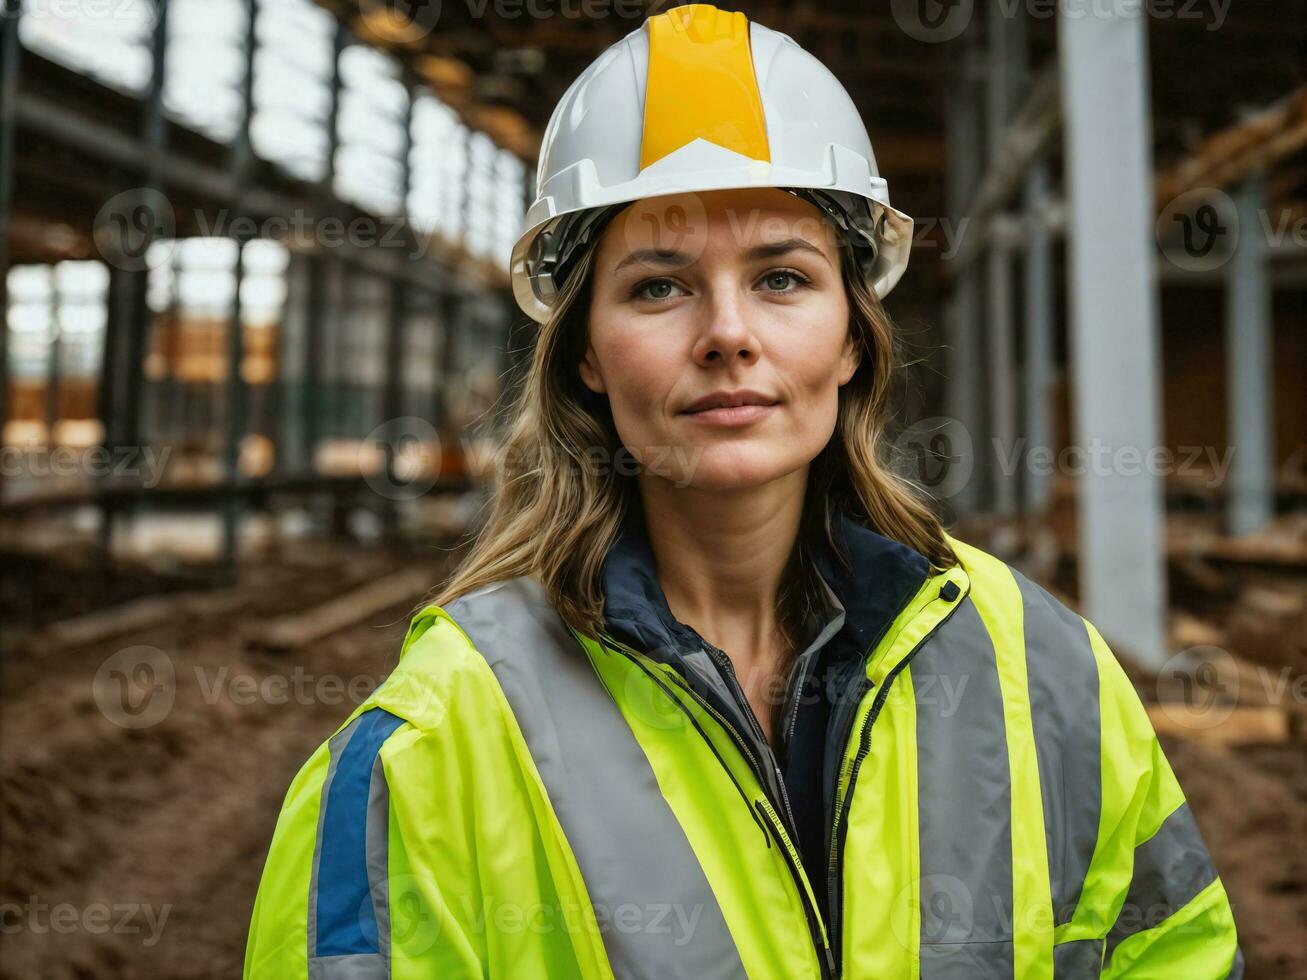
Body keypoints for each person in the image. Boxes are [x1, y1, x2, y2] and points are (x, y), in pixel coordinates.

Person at [243, 5, 1242, 978]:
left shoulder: (1042, 669)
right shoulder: (427, 748)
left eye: (780, 277)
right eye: (657, 285)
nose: (726, 332)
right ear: (586, 353)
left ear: (852, 334)